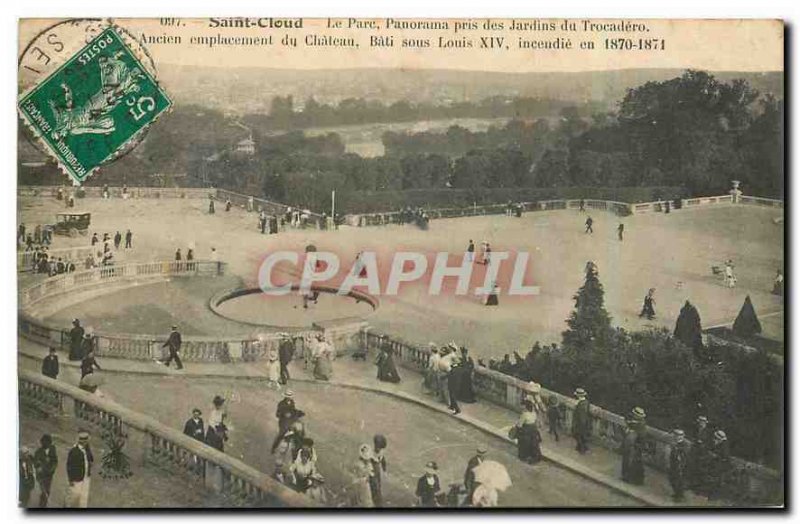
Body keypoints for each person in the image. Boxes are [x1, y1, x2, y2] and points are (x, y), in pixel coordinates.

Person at [65, 430, 93, 508]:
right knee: (73, 499)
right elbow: (69, 466)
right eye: (86, 441)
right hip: (77, 479)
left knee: (83, 500)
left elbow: (91, 459)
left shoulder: (87, 450)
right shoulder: (74, 451)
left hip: (86, 478)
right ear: (83, 441)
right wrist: (71, 480)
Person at [621, 408, 646, 485]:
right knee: (627, 461)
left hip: (635, 447)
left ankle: (632, 479)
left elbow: (641, 437)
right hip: (629, 446)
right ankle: (626, 476)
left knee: (633, 463)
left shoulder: (641, 425)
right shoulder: (633, 423)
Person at [34, 434, 58, 508]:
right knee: (44, 491)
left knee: (47, 491)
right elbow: (36, 465)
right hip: (41, 475)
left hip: (49, 475)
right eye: (43, 442)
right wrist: (39, 469)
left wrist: (52, 470)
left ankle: (43, 505)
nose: (45, 444)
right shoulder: (38, 452)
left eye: (48, 443)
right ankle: (42, 505)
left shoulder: (52, 449)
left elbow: (55, 461)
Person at [707, 430, 731, 501]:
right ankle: (712, 494)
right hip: (716, 464)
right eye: (715, 438)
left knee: (717, 480)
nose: (714, 439)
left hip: (722, 465)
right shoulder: (717, 443)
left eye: (716, 438)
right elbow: (712, 449)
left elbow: (725, 456)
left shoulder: (724, 445)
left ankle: (715, 496)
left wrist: (715, 456)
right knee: (713, 479)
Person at [669, 428, 690, 502]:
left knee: (679, 481)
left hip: (681, 465)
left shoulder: (686, 444)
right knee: (672, 479)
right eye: (675, 435)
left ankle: (679, 496)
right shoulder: (674, 442)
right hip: (674, 464)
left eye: (678, 435)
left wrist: (681, 466)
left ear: (682, 436)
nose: (676, 437)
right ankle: (676, 493)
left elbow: (685, 455)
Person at [369, 434, 388, 507]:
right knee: (374, 486)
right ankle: (376, 501)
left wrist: (384, 470)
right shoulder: (371, 454)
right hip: (372, 471)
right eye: (378, 447)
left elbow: (383, 461)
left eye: (380, 448)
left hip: (377, 471)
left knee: (378, 485)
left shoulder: (380, 453)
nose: (379, 449)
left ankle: (377, 499)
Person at [572, 388, 591, 454]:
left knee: (579, 436)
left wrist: (580, 424)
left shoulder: (581, 404)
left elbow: (582, 416)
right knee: (581, 436)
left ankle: (582, 449)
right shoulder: (586, 402)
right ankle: (580, 447)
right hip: (584, 422)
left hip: (580, 423)